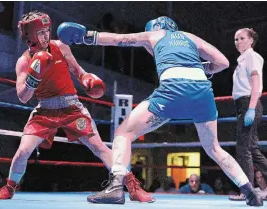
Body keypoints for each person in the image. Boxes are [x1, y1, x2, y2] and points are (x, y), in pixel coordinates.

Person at [58, 16, 264, 206]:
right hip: (202, 93)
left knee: (124, 133)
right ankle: (250, 193)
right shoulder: (190, 37)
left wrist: (85, 37)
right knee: (214, 148)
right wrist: (203, 69)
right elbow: (223, 62)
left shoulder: (154, 34)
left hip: (172, 90)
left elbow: (118, 39)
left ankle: (115, 188)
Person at [0, 11, 154, 203]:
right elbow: (23, 97)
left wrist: (87, 80)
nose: (46, 36)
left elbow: (79, 71)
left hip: (72, 107)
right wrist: (34, 77)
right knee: (23, 151)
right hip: (45, 110)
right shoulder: (24, 62)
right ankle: (9, 188)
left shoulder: (61, 47)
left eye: (47, 31)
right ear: (30, 36)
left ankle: (133, 187)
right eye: (41, 32)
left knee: (99, 148)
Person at [229, 28, 267, 201]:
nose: (238, 42)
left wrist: (251, 108)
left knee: (243, 148)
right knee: (251, 148)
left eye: (242, 38)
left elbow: (256, 83)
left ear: (251, 40)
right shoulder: (242, 60)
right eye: (236, 39)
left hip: (248, 104)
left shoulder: (252, 57)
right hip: (243, 105)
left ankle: (248, 191)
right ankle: (250, 190)